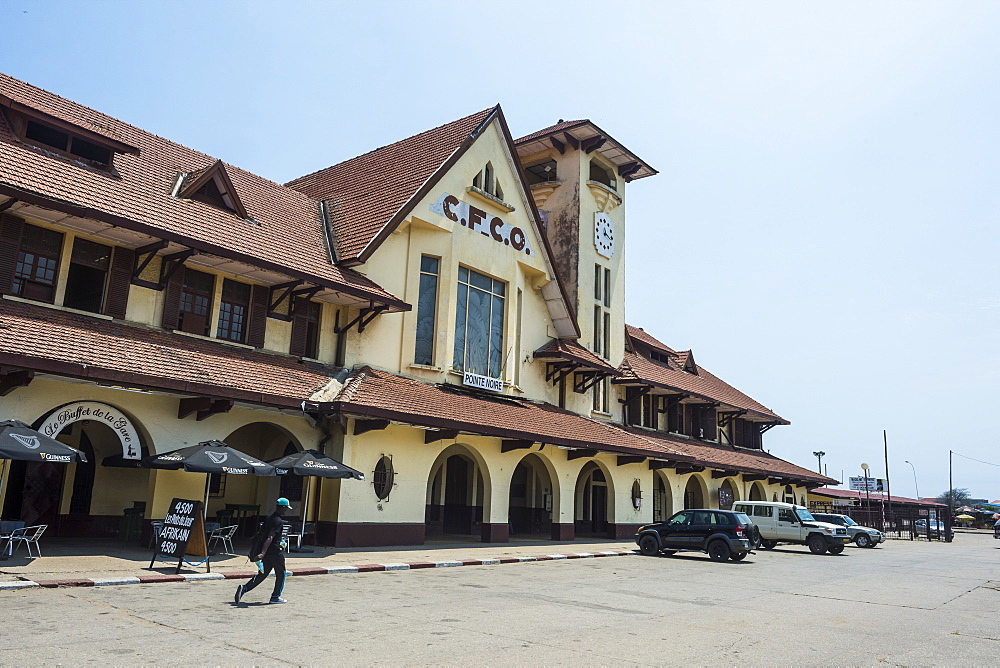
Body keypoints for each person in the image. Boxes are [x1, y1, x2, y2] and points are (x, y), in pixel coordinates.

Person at [235, 498, 292, 604]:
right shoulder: (278, 521)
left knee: (262, 574)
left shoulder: (269, 518)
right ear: (282, 507)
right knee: (281, 574)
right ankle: (275, 597)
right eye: (286, 508)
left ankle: (244, 588)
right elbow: (270, 537)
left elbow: (262, 535)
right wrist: (262, 553)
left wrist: (263, 552)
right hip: (275, 552)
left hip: (267, 553)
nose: (286, 510)